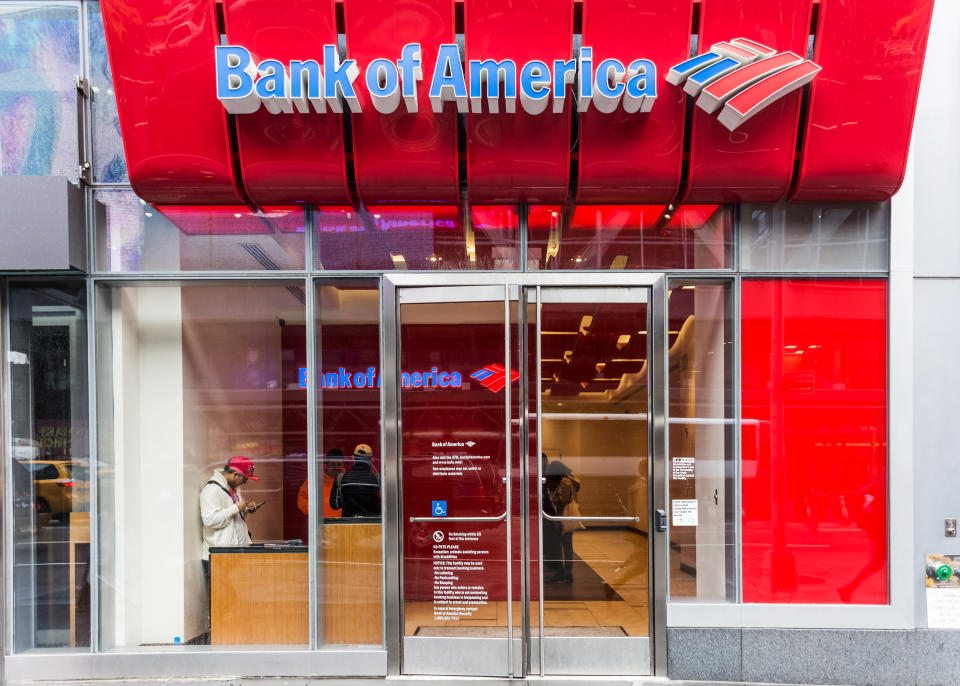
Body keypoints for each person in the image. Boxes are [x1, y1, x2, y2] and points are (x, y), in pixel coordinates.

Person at [200, 455, 261, 629]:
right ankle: (221, 632)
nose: (245, 483)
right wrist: (236, 508)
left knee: (232, 599)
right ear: (235, 474)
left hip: (232, 554)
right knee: (227, 600)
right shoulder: (212, 491)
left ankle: (228, 631)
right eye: (245, 479)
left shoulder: (230, 489)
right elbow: (210, 520)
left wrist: (245, 510)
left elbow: (231, 520)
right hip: (219, 555)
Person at [544, 458, 582, 583]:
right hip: (566, 516)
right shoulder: (569, 478)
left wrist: (557, 520)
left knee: (566, 545)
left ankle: (567, 574)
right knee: (566, 545)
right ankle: (565, 572)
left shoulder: (564, 481)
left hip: (565, 517)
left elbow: (562, 501)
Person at [330, 444, 381, 517]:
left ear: (353, 457)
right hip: (373, 524)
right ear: (371, 459)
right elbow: (385, 504)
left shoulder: (341, 478)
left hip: (349, 524)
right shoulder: (378, 478)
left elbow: (335, 505)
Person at [298, 449, 346, 518]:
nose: (336, 467)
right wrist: (313, 510)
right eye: (333, 464)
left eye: (339, 464)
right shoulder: (315, 480)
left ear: (343, 464)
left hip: (343, 524)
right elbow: (302, 498)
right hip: (320, 523)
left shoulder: (348, 480)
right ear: (327, 465)